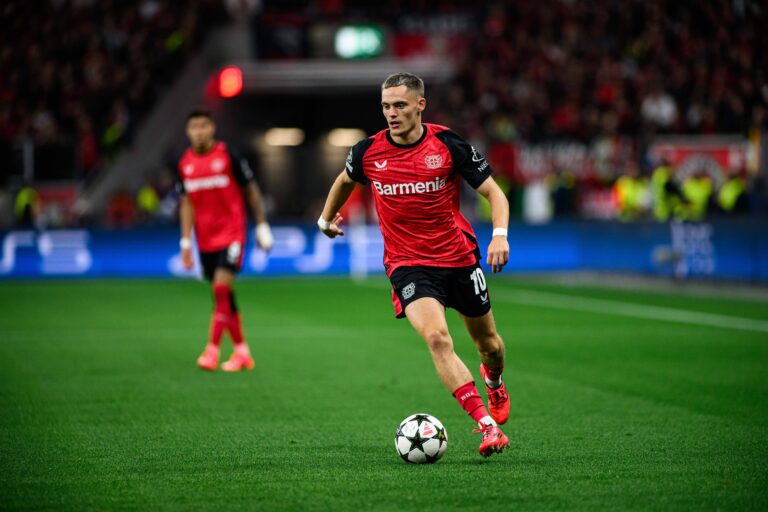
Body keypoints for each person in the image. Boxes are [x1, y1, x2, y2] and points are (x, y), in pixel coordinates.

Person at [317, 73, 511, 457]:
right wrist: (326, 218)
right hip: (408, 266)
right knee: (437, 338)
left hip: (459, 258)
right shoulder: (367, 151)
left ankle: (494, 380)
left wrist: (500, 235)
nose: (392, 113)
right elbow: (344, 180)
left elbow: (493, 191)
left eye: (400, 105)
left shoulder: (448, 144)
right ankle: (486, 426)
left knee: (488, 345)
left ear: (420, 105)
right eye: (386, 106)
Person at [174, 108, 273, 371]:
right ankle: (242, 352)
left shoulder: (227, 154)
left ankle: (212, 350)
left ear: (212, 128)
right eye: (194, 127)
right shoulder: (184, 163)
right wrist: (186, 242)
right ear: (188, 131)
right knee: (223, 296)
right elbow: (186, 203)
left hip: (232, 233)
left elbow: (250, 189)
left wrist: (262, 225)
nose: (199, 131)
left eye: (204, 126)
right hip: (205, 239)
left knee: (220, 289)